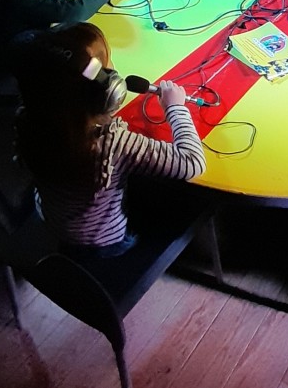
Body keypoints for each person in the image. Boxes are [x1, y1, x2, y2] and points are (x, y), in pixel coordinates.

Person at [12, 22, 207, 285]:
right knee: (166, 194)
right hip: (103, 242)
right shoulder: (112, 143)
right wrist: (175, 107)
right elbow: (192, 163)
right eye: (105, 67)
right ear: (107, 93)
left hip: (54, 218)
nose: (113, 71)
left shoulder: (27, 118)